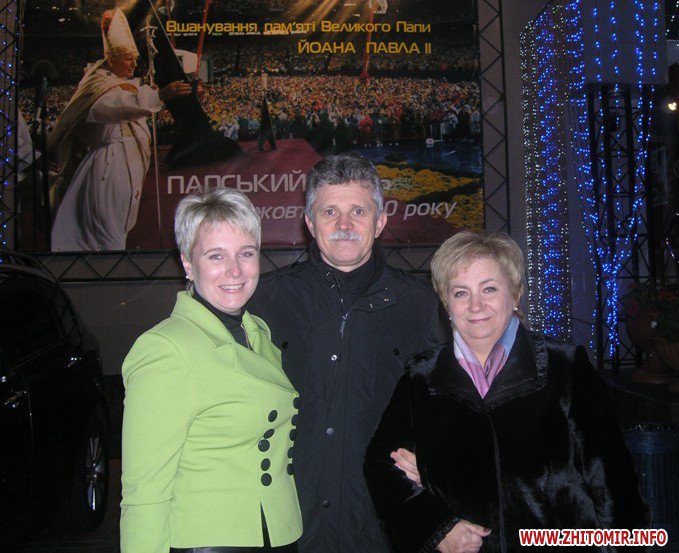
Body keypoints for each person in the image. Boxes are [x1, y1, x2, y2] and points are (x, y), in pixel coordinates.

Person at [364, 230, 650, 553]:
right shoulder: (421, 377)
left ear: (515, 294)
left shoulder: (564, 366)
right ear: (446, 303)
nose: (475, 305)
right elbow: (380, 465)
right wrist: (436, 527)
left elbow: (616, 485)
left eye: (489, 289)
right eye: (460, 293)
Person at [248, 152, 446, 553]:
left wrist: (438, 464)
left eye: (358, 211)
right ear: (309, 223)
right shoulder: (265, 302)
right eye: (329, 212)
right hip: (289, 529)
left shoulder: (422, 306)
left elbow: (450, 411)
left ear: (380, 221)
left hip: (383, 529)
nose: (343, 225)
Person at [120, 189, 302, 553]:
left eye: (246, 253)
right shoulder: (165, 349)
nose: (234, 270)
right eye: (216, 255)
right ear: (188, 264)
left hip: (277, 533)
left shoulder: (258, 334)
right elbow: (144, 490)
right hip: (209, 541)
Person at [48, 8, 191, 251]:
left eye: (135, 58)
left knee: (118, 230)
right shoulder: (97, 87)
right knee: (107, 233)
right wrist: (159, 96)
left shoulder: (119, 83)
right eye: (128, 59)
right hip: (106, 168)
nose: (134, 64)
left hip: (124, 167)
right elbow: (117, 106)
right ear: (112, 58)